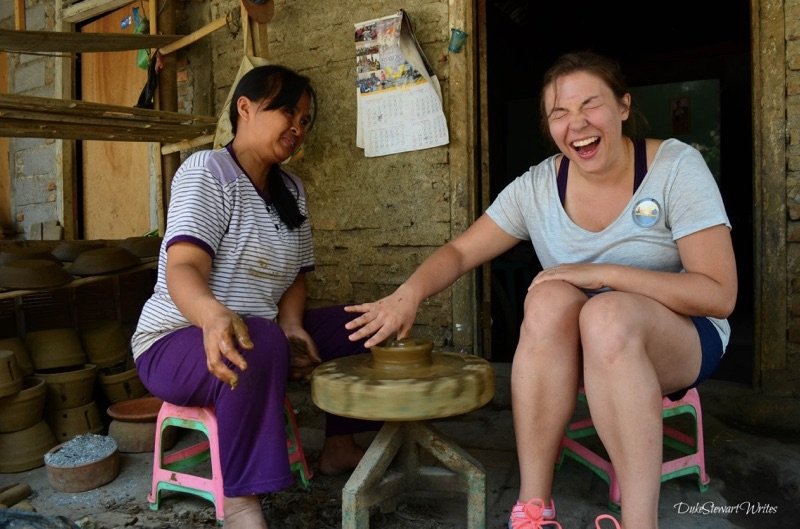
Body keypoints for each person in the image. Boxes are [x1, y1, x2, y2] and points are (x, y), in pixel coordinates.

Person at [344, 50, 737, 529]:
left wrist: (606, 274)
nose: (578, 124)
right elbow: (462, 252)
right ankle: (533, 509)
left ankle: (640, 522)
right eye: (559, 114)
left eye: (591, 105)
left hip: (683, 335)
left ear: (623, 107)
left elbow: (718, 294)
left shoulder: (675, 166)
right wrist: (407, 294)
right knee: (549, 299)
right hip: (588, 340)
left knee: (606, 314)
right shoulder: (537, 187)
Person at [131, 65, 373, 529]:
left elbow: (297, 277)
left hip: (258, 333)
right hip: (176, 340)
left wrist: (293, 326)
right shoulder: (208, 172)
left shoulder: (291, 190)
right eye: (288, 113)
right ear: (245, 108)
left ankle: (340, 447)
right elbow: (183, 266)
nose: (298, 129)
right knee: (254, 340)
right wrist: (213, 318)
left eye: (305, 121)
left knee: (364, 323)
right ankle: (240, 500)